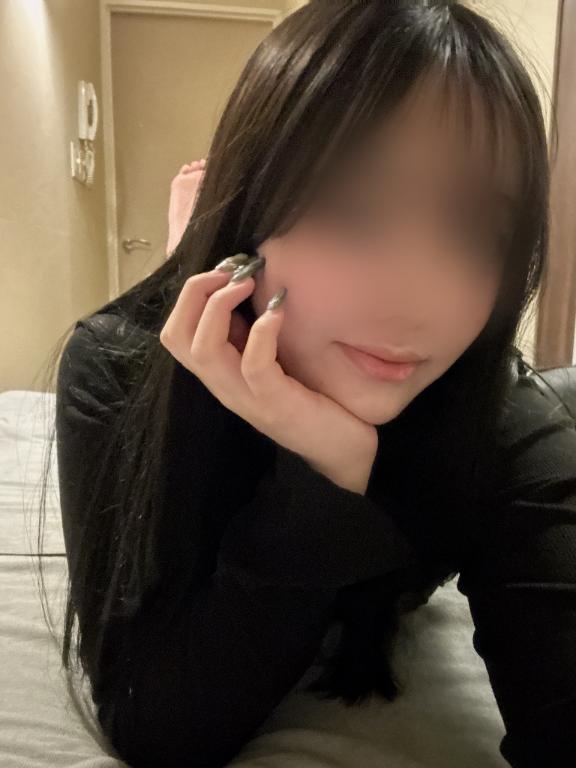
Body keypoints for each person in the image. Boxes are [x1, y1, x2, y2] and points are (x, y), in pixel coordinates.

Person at [40, 1, 576, 767]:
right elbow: (155, 725)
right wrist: (322, 475)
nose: (416, 297)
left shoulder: (496, 410)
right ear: (250, 213)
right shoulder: (121, 368)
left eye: (475, 234)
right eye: (351, 209)